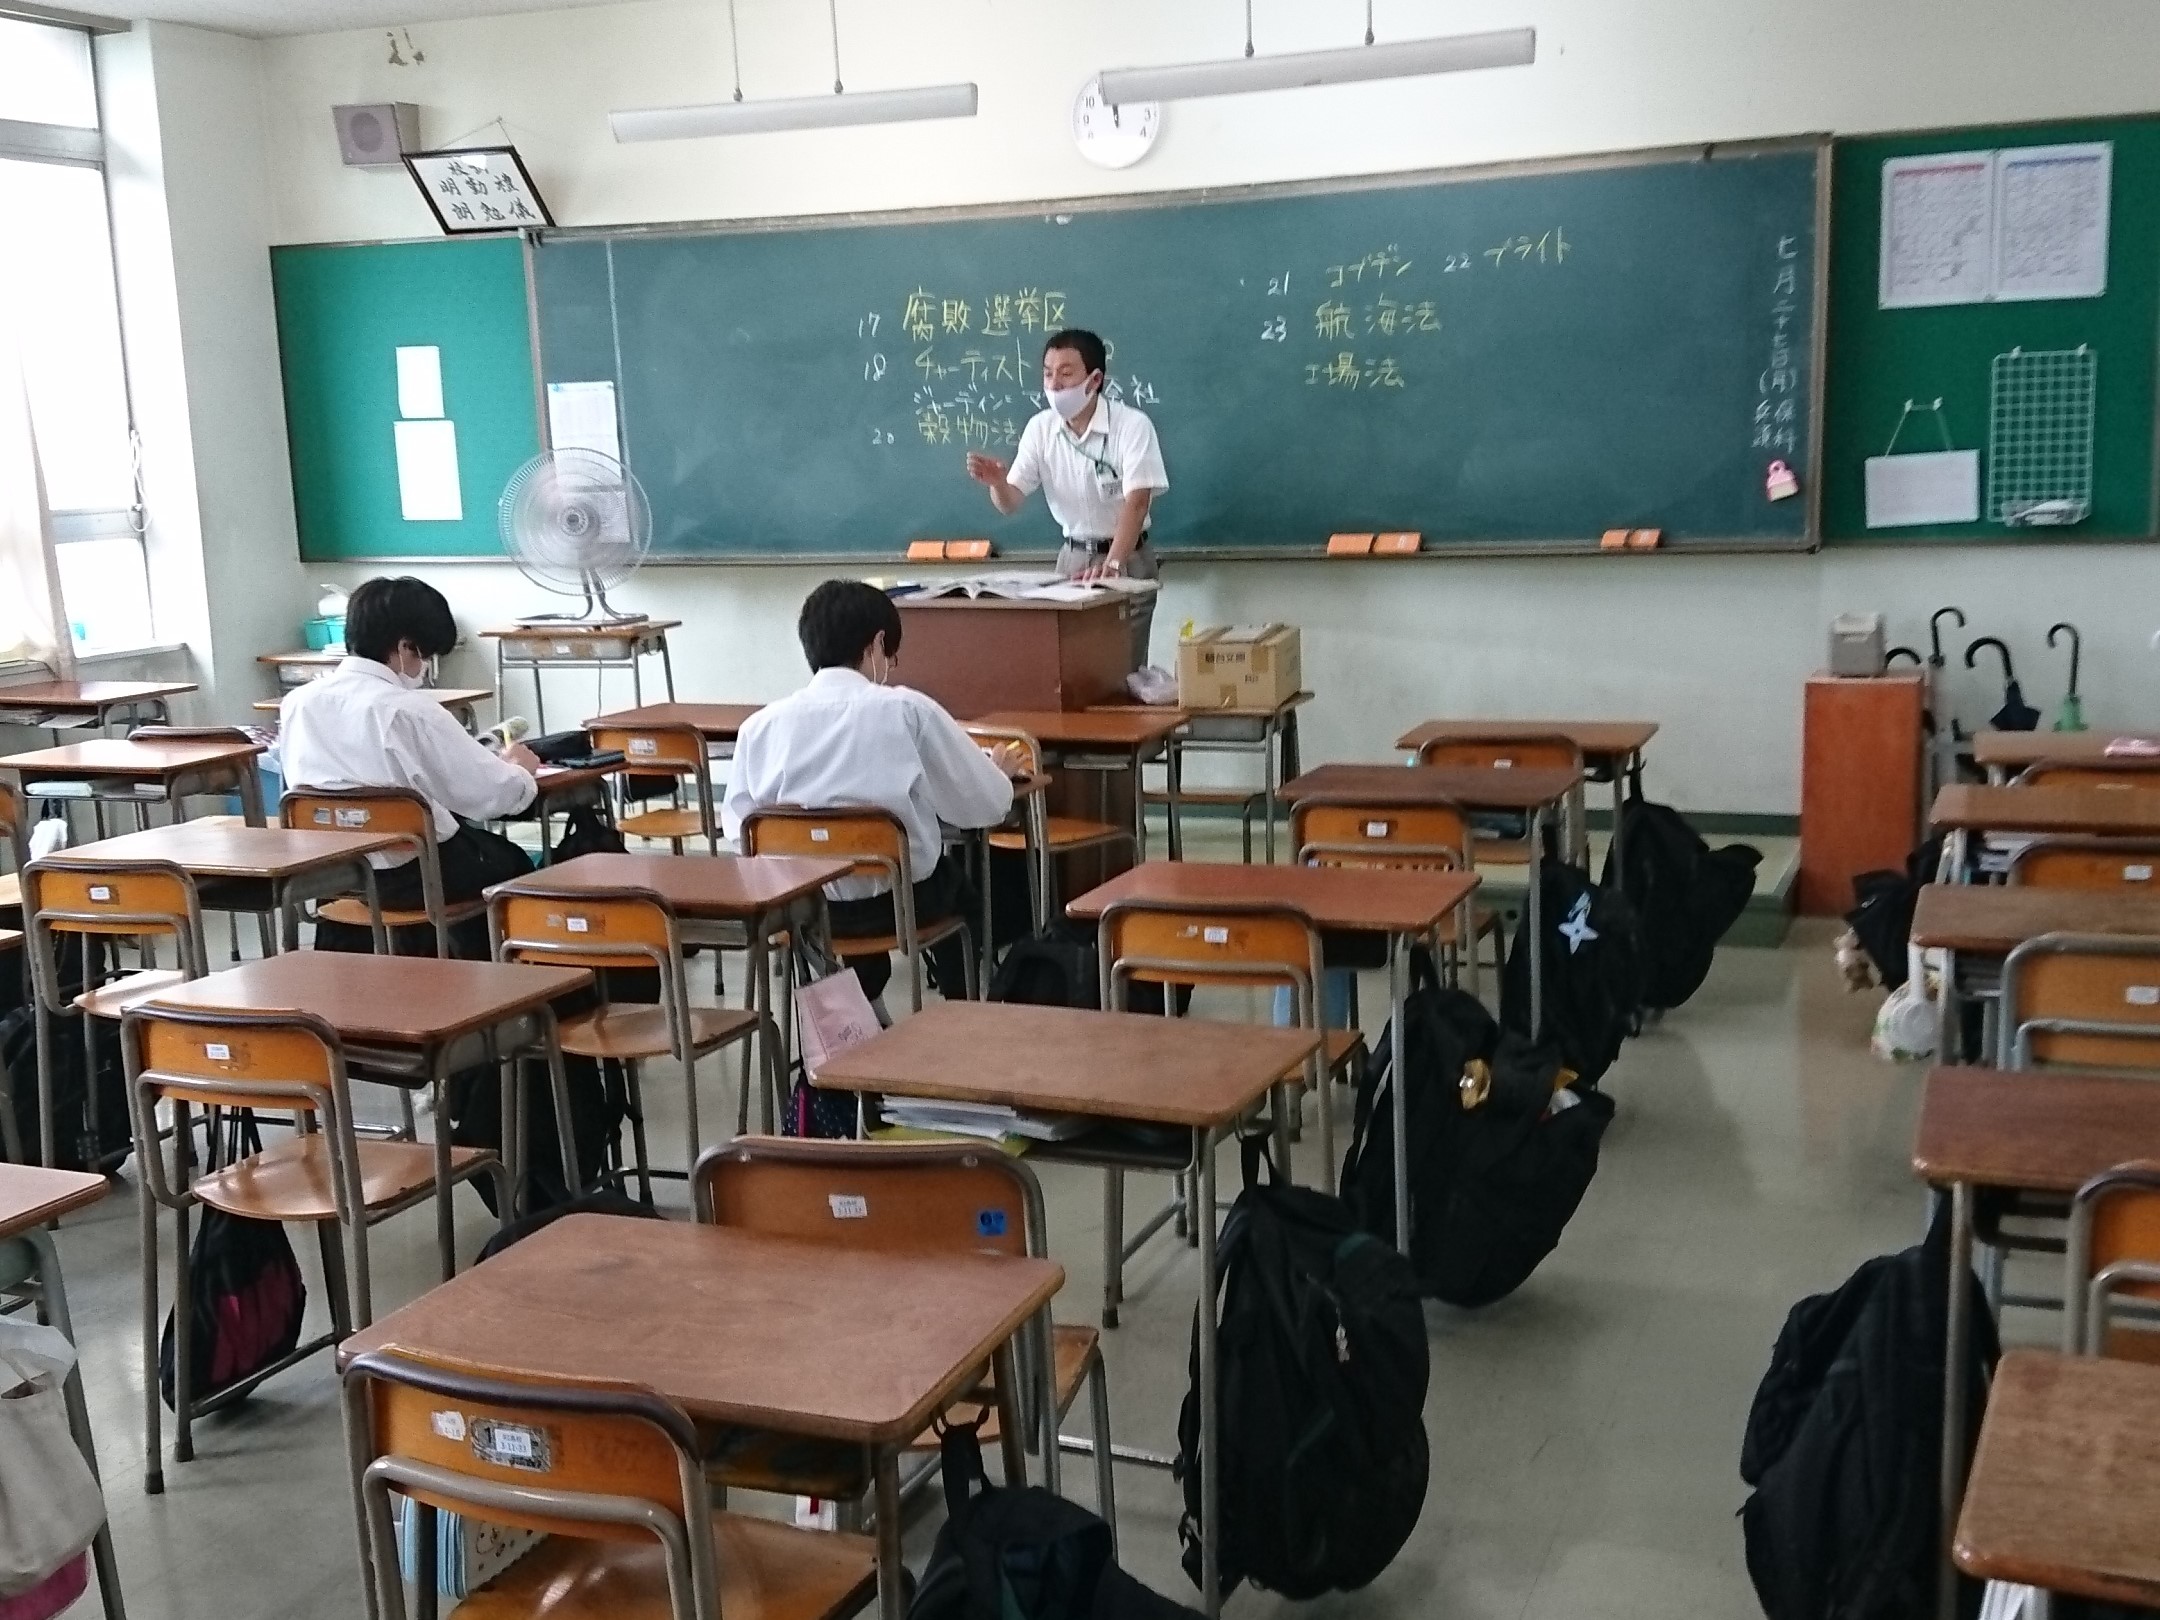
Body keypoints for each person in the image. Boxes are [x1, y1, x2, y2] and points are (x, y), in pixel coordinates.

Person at [724, 579, 1022, 1004]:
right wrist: (998, 774)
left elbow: (740, 833)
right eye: (891, 655)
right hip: (902, 905)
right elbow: (984, 807)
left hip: (806, 910)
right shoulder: (906, 710)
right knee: (964, 895)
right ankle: (962, 1018)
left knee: (843, 886)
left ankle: (854, 1015)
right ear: (877, 643)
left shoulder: (759, 728)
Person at [271, 574, 542, 956]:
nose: (426, 666)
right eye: (426, 655)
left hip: (333, 874)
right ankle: (501, 978)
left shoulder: (298, 703)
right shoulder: (409, 710)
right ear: (404, 646)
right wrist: (519, 770)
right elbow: (489, 796)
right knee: (510, 861)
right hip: (415, 876)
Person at [964, 327, 1169, 667]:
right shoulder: (1040, 428)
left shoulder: (1132, 425)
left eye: (1066, 373)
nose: (1054, 384)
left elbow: (1137, 502)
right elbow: (1010, 503)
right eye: (1048, 373)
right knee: (1072, 670)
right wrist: (998, 483)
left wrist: (1112, 565)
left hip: (1127, 558)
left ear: (1095, 379)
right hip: (1073, 560)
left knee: (1122, 671)